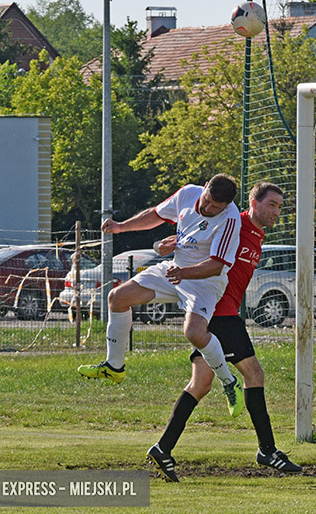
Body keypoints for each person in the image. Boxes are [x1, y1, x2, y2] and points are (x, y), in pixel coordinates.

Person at [146, 182, 301, 482]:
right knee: (254, 375)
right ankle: (267, 451)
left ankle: (162, 449)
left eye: (280, 207)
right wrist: (171, 245)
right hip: (221, 312)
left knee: (200, 384)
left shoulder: (257, 234)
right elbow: (199, 235)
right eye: (272, 205)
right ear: (253, 203)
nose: (277, 212)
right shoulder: (233, 222)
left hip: (213, 314)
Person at [78, 174, 244, 417]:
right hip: (176, 270)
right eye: (207, 201)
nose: (207, 209)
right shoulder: (188, 193)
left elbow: (216, 265)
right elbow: (156, 214)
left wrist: (184, 272)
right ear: (205, 186)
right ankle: (114, 367)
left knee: (194, 333)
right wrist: (121, 227)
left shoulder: (230, 218)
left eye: (215, 208)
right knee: (117, 297)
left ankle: (229, 382)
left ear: (226, 206)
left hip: (205, 282)